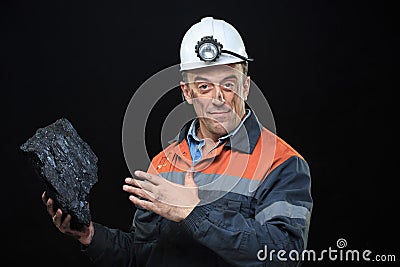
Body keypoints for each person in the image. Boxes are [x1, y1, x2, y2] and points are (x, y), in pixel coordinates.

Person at [43, 16, 313, 266]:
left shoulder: (281, 162)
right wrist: (89, 235)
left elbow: (285, 253)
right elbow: (143, 255)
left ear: (245, 86)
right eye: (204, 86)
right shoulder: (163, 163)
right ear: (187, 92)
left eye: (229, 84)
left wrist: (194, 213)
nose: (218, 97)